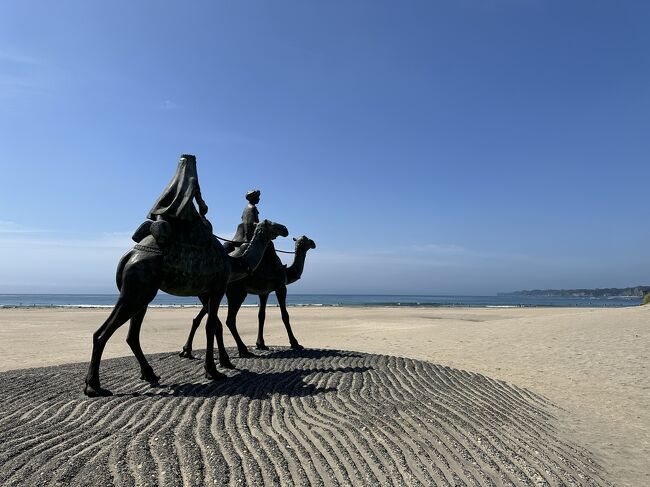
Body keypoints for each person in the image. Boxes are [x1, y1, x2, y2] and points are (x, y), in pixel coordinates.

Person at [132, 154, 210, 245]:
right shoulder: (193, 180)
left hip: (163, 215)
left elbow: (161, 201)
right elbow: (201, 204)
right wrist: (203, 208)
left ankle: (155, 227)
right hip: (185, 215)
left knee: (161, 222)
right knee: (205, 231)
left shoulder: (174, 180)